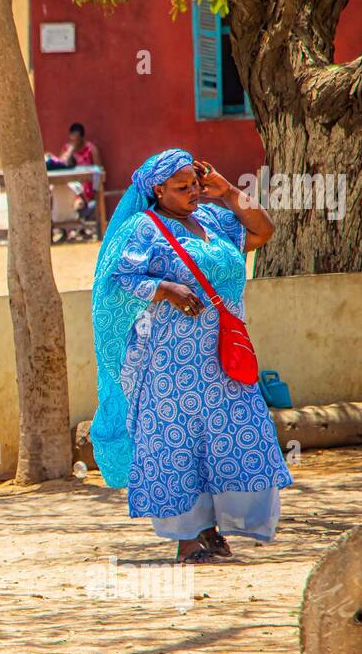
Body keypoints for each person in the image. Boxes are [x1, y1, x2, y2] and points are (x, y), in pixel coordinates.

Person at [91, 149, 291, 563]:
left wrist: (229, 191)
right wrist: (165, 289)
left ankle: (217, 527)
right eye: (182, 187)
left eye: (196, 183)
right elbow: (117, 281)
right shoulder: (143, 229)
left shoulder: (215, 221)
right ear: (157, 189)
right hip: (169, 362)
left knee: (232, 435)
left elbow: (262, 231)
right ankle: (188, 539)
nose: (193, 192)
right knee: (176, 443)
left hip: (224, 356)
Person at [53, 122, 103, 222]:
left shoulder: (91, 149)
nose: (74, 141)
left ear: (82, 137)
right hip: (71, 190)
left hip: (87, 192)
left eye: (77, 139)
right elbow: (60, 165)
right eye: (72, 138)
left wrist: (95, 191)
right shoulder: (67, 149)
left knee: (89, 204)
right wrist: (71, 149)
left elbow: (99, 172)